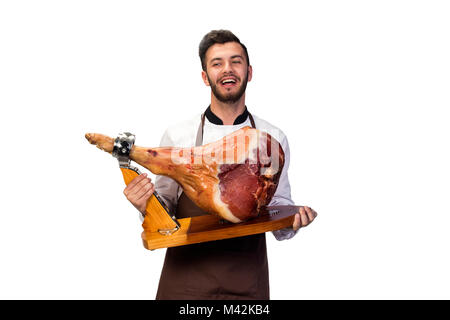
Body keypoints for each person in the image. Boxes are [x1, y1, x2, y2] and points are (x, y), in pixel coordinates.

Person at [123, 30, 317, 300]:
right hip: (185, 285)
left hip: (247, 286)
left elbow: (278, 212)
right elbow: (164, 212)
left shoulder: (272, 139)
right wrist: (145, 204)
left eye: (236, 61)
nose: (228, 69)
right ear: (205, 76)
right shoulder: (180, 135)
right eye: (217, 63)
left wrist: (291, 222)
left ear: (249, 72)